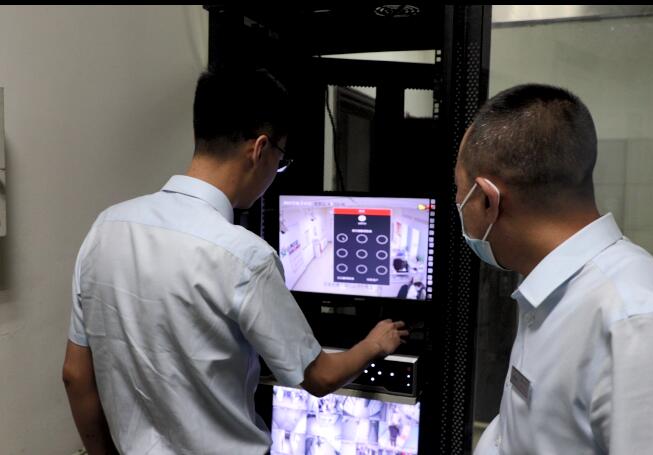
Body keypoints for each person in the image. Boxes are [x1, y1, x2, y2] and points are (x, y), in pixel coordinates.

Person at [62, 69, 408, 455]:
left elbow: (75, 375)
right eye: (280, 160)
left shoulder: (106, 228)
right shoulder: (246, 257)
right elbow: (320, 377)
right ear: (260, 149)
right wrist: (375, 344)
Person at [456, 84, 653, 454]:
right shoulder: (549, 298)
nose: (457, 203)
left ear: (488, 200)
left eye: (458, 190)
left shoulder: (643, 326)